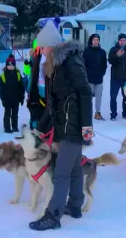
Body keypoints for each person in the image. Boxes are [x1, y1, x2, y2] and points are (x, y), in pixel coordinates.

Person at [29, 20, 93, 231]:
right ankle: (74, 205)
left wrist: (86, 126)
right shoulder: (56, 64)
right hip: (64, 124)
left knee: (61, 173)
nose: (41, 51)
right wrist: (40, 127)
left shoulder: (71, 62)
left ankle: (53, 215)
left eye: (43, 47)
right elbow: (53, 103)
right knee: (74, 168)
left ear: (52, 45)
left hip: (73, 126)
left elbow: (85, 92)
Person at [108, 33, 126, 120]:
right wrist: (117, 56)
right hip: (115, 78)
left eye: (124, 40)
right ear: (118, 41)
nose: (122, 42)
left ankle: (125, 113)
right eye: (121, 40)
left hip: (125, 79)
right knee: (113, 96)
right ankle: (113, 114)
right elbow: (110, 61)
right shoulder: (113, 49)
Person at [83, 33, 107, 121]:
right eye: (94, 40)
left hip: (99, 79)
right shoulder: (86, 51)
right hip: (89, 79)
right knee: (88, 98)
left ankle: (97, 113)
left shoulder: (102, 52)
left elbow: (104, 65)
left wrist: (102, 73)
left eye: (97, 40)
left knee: (99, 98)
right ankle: (87, 114)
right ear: (91, 41)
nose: (96, 41)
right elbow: (83, 64)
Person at [25, 38, 47, 130]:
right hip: (34, 84)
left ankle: (40, 123)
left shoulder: (45, 56)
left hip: (42, 85)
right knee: (34, 104)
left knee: (42, 105)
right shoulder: (32, 56)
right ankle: (34, 123)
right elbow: (27, 71)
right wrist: (28, 64)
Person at [0, 56, 25, 133]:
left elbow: (21, 87)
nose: (10, 67)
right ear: (6, 66)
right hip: (7, 99)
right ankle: (7, 128)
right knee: (7, 114)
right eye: (9, 65)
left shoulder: (18, 75)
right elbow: (1, 89)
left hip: (16, 99)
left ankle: (15, 126)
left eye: (12, 65)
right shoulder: (3, 76)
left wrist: (22, 97)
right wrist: (3, 99)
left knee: (15, 114)